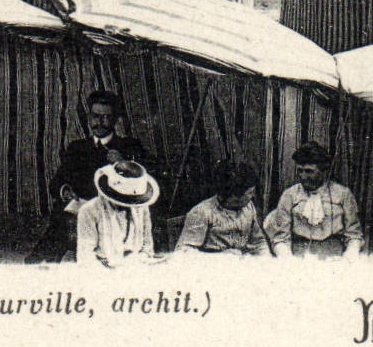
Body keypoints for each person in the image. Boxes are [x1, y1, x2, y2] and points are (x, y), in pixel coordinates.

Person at [28, 90, 147, 263]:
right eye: (95, 116)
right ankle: (41, 263)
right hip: (80, 207)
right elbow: (57, 182)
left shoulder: (129, 146)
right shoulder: (77, 147)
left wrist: (122, 163)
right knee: (62, 217)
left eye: (106, 117)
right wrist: (65, 191)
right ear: (89, 117)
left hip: (113, 209)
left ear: (115, 119)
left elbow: (144, 184)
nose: (100, 122)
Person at [264, 142, 363, 258]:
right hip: (298, 258)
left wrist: (350, 255)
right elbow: (280, 238)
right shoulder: (289, 195)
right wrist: (288, 259)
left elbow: (354, 235)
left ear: (323, 171)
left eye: (309, 171)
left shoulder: (343, 194)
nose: (303, 176)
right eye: (300, 170)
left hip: (335, 258)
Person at [77, 160, 160, 267]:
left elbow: (147, 247)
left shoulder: (141, 207)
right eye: (125, 199)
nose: (129, 205)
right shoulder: (89, 211)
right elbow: (85, 256)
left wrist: (138, 260)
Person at [176, 160, 269, 255]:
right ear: (234, 195)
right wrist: (220, 257)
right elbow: (183, 252)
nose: (253, 196)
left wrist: (265, 258)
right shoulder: (202, 212)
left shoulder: (248, 207)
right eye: (250, 193)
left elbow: (259, 242)